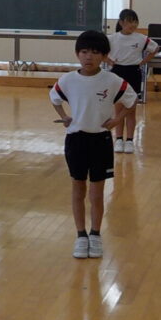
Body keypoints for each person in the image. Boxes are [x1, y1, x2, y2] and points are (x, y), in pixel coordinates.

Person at [49, 30, 137, 259]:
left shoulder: (112, 80)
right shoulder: (68, 80)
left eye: (95, 52)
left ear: (104, 56)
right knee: (78, 189)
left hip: (101, 141)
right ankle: (80, 235)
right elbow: (54, 97)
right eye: (84, 52)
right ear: (77, 54)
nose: (89, 57)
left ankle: (95, 234)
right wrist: (64, 116)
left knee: (97, 194)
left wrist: (117, 120)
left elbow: (132, 99)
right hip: (76, 141)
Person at [105, 8, 159, 154]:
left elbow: (155, 48)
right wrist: (109, 61)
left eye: (135, 21)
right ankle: (118, 139)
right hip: (117, 72)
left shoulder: (141, 38)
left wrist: (143, 62)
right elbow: (100, 51)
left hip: (133, 72)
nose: (133, 24)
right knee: (118, 108)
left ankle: (129, 140)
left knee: (130, 109)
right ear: (121, 22)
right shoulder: (112, 38)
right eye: (130, 21)